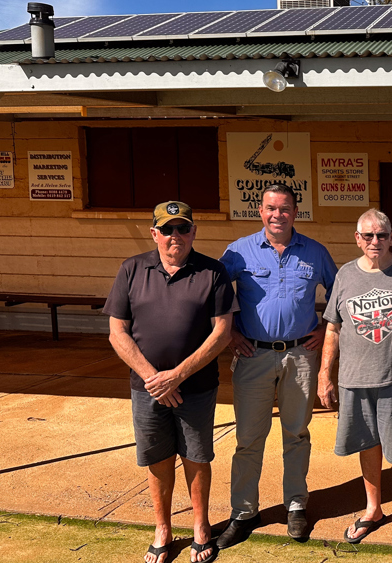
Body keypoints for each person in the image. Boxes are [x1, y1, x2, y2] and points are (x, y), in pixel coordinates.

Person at [104, 201, 237, 563]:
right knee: (158, 459)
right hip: (147, 388)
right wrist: (154, 379)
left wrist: (178, 375)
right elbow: (117, 332)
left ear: (194, 232)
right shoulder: (131, 269)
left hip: (196, 386)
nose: (174, 236)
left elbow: (223, 332)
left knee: (196, 457)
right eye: (167, 229)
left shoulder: (213, 271)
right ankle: (162, 528)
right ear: (155, 234)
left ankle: (200, 526)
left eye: (182, 228)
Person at [216, 183, 337, 548]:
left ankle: (296, 505)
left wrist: (323, 328)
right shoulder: (238, 252)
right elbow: (216, 296)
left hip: (300, 357)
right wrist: (231, 334)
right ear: (260, 211)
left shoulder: (315, 252)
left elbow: (338, 295)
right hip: (253, 355)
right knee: (249, 438)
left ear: (295, 212)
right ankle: (244, 512)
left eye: (284, 209)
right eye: (271, 208)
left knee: (296, 434)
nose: (277, 215)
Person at [317, 209, 392, 547]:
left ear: (391, 237)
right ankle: (373, 509)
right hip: (354, 379)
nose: (375, 241)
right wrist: (326, 374)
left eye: (381, 235)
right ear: (357, 239)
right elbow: (333, 329)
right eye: (367, 236)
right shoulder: (345, 275)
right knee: (367, 445)